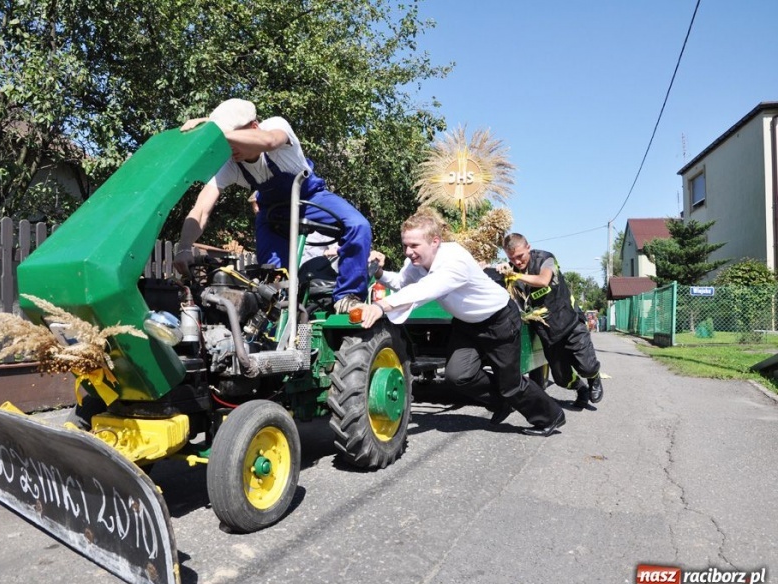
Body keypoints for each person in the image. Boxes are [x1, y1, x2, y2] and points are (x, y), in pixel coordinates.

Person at [358, 212, 566, 436]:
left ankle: (551, 416)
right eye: (405, 245)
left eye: (414, 245)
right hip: (466, 324)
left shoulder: (454, 261)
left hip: (499, 320)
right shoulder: (415, 262)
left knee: (511, 384)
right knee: (458, 376)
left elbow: (424, 289)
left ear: (435, 241)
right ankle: (501, 402)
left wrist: (380, 307)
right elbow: (401, 282)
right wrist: (378, 272)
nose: (408, 252)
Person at [174, 98, 371, 313]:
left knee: (358, 225)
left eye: (233, 137)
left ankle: (347, 297)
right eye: (223, 141)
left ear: (254, 127)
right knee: (273, 278)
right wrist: (184, 246)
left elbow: (269, 141)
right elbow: (201, 209)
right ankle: (278, 321)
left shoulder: (276, 126)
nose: (229, 146)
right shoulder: (230, 165)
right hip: (273, 213)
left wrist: (217, 133)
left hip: (311, 198)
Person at [495, 233, 603, 409]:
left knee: (587, 367)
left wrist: (516, 276)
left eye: (520, 256)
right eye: (512, 258)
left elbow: (544, 280)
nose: (517, 262)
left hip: (570, 323)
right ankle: (581, 388)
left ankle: (593, 378)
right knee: (562, 379)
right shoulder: (511, 269)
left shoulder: (546, 259)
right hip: (548, 334)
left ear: (528, 247)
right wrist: (500, 269)